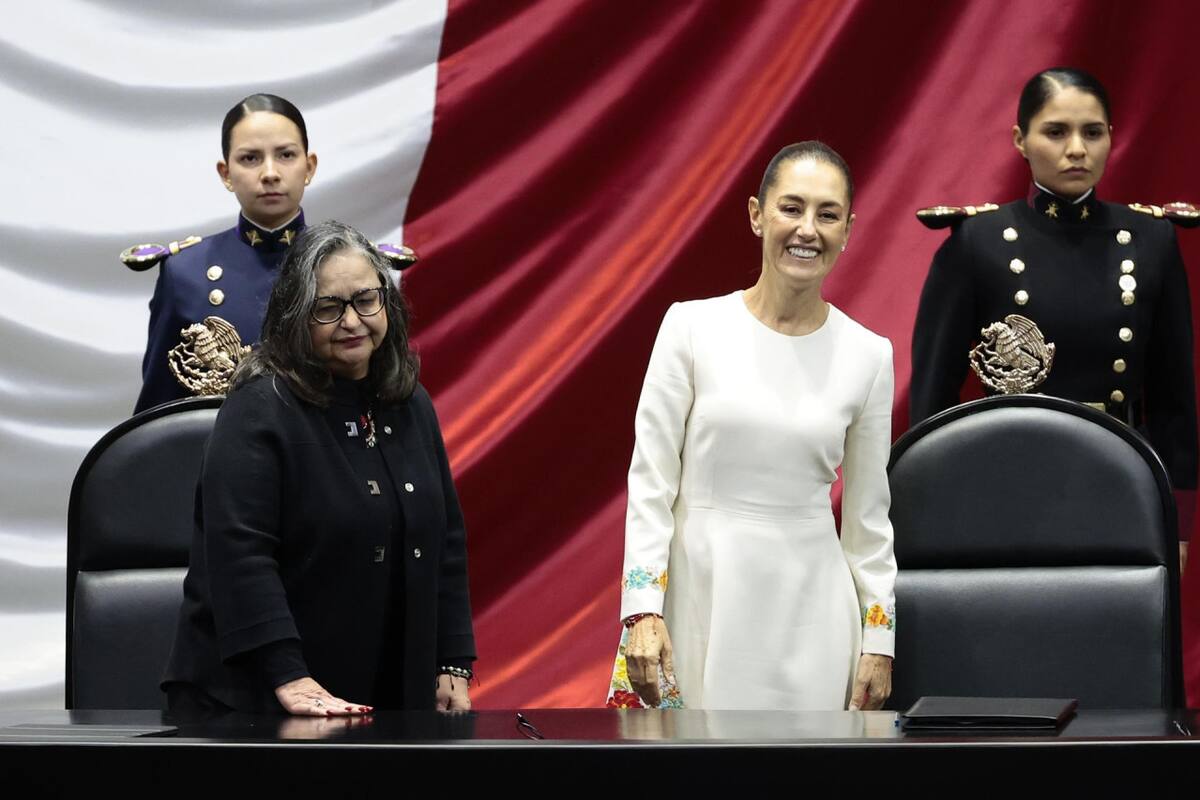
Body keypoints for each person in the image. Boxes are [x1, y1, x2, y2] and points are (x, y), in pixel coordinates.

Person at [608, 142, 897, 711]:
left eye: (827, 214)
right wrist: (641, 609)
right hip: (696, 603)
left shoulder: (870, 355)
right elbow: (651, 486)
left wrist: (879, 640)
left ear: (849, 229)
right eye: (791, 208)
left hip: (813, 617)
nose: (807, 229)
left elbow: (868, 521)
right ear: (756, 214)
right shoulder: (689, 327)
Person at [162, 220, 475, 716]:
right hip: (259, 702)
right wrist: (287, 675)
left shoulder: (409, 402)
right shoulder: (258, 407)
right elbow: (240, 554)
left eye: (366, 300)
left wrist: (453, 661)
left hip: (384, 694)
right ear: (294, 316)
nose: (352, 321)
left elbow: (444, 539)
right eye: (328, 308)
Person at [910, 67, 1198, 561]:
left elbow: (1175, 402)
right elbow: (933, 396)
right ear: (1021, 140)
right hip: (1004, 480)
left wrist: (1181, 522)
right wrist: (933, 501)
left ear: (1111, 136)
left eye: (1092, 132)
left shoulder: (1152, 242)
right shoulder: (977, 244)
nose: (1077, 149)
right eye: (1056, 131)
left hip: (1122, 478)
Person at [126, 93, 317, 413]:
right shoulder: (186, 272)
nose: (270, 173)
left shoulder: (348, 266)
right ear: (226, 173)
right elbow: (159, 410)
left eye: (285, 155)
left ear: (309, 167)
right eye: (250, 158)